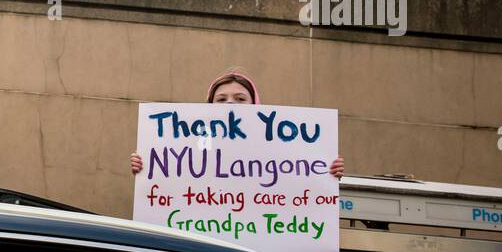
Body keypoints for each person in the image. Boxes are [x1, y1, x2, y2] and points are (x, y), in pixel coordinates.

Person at [129, 70, 345, 176]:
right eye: (221, 99)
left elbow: (301, 173)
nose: (230, 104)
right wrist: (146, 165)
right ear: (209, 105)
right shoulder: (189, 145)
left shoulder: (280, 147)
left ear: (255, 104)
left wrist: (327, 170)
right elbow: (170, 174)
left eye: (240, 99)